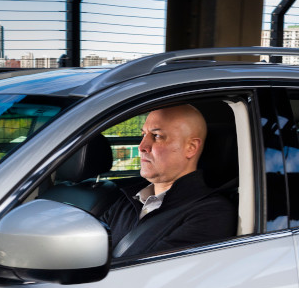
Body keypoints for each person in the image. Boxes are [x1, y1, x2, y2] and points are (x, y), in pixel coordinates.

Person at [101, 104, 236, 257]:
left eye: (157, 136)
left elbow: (147, 276)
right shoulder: (127, 200)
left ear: (191, 147)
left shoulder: (211, 213)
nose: (142, 146)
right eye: (143, 134)